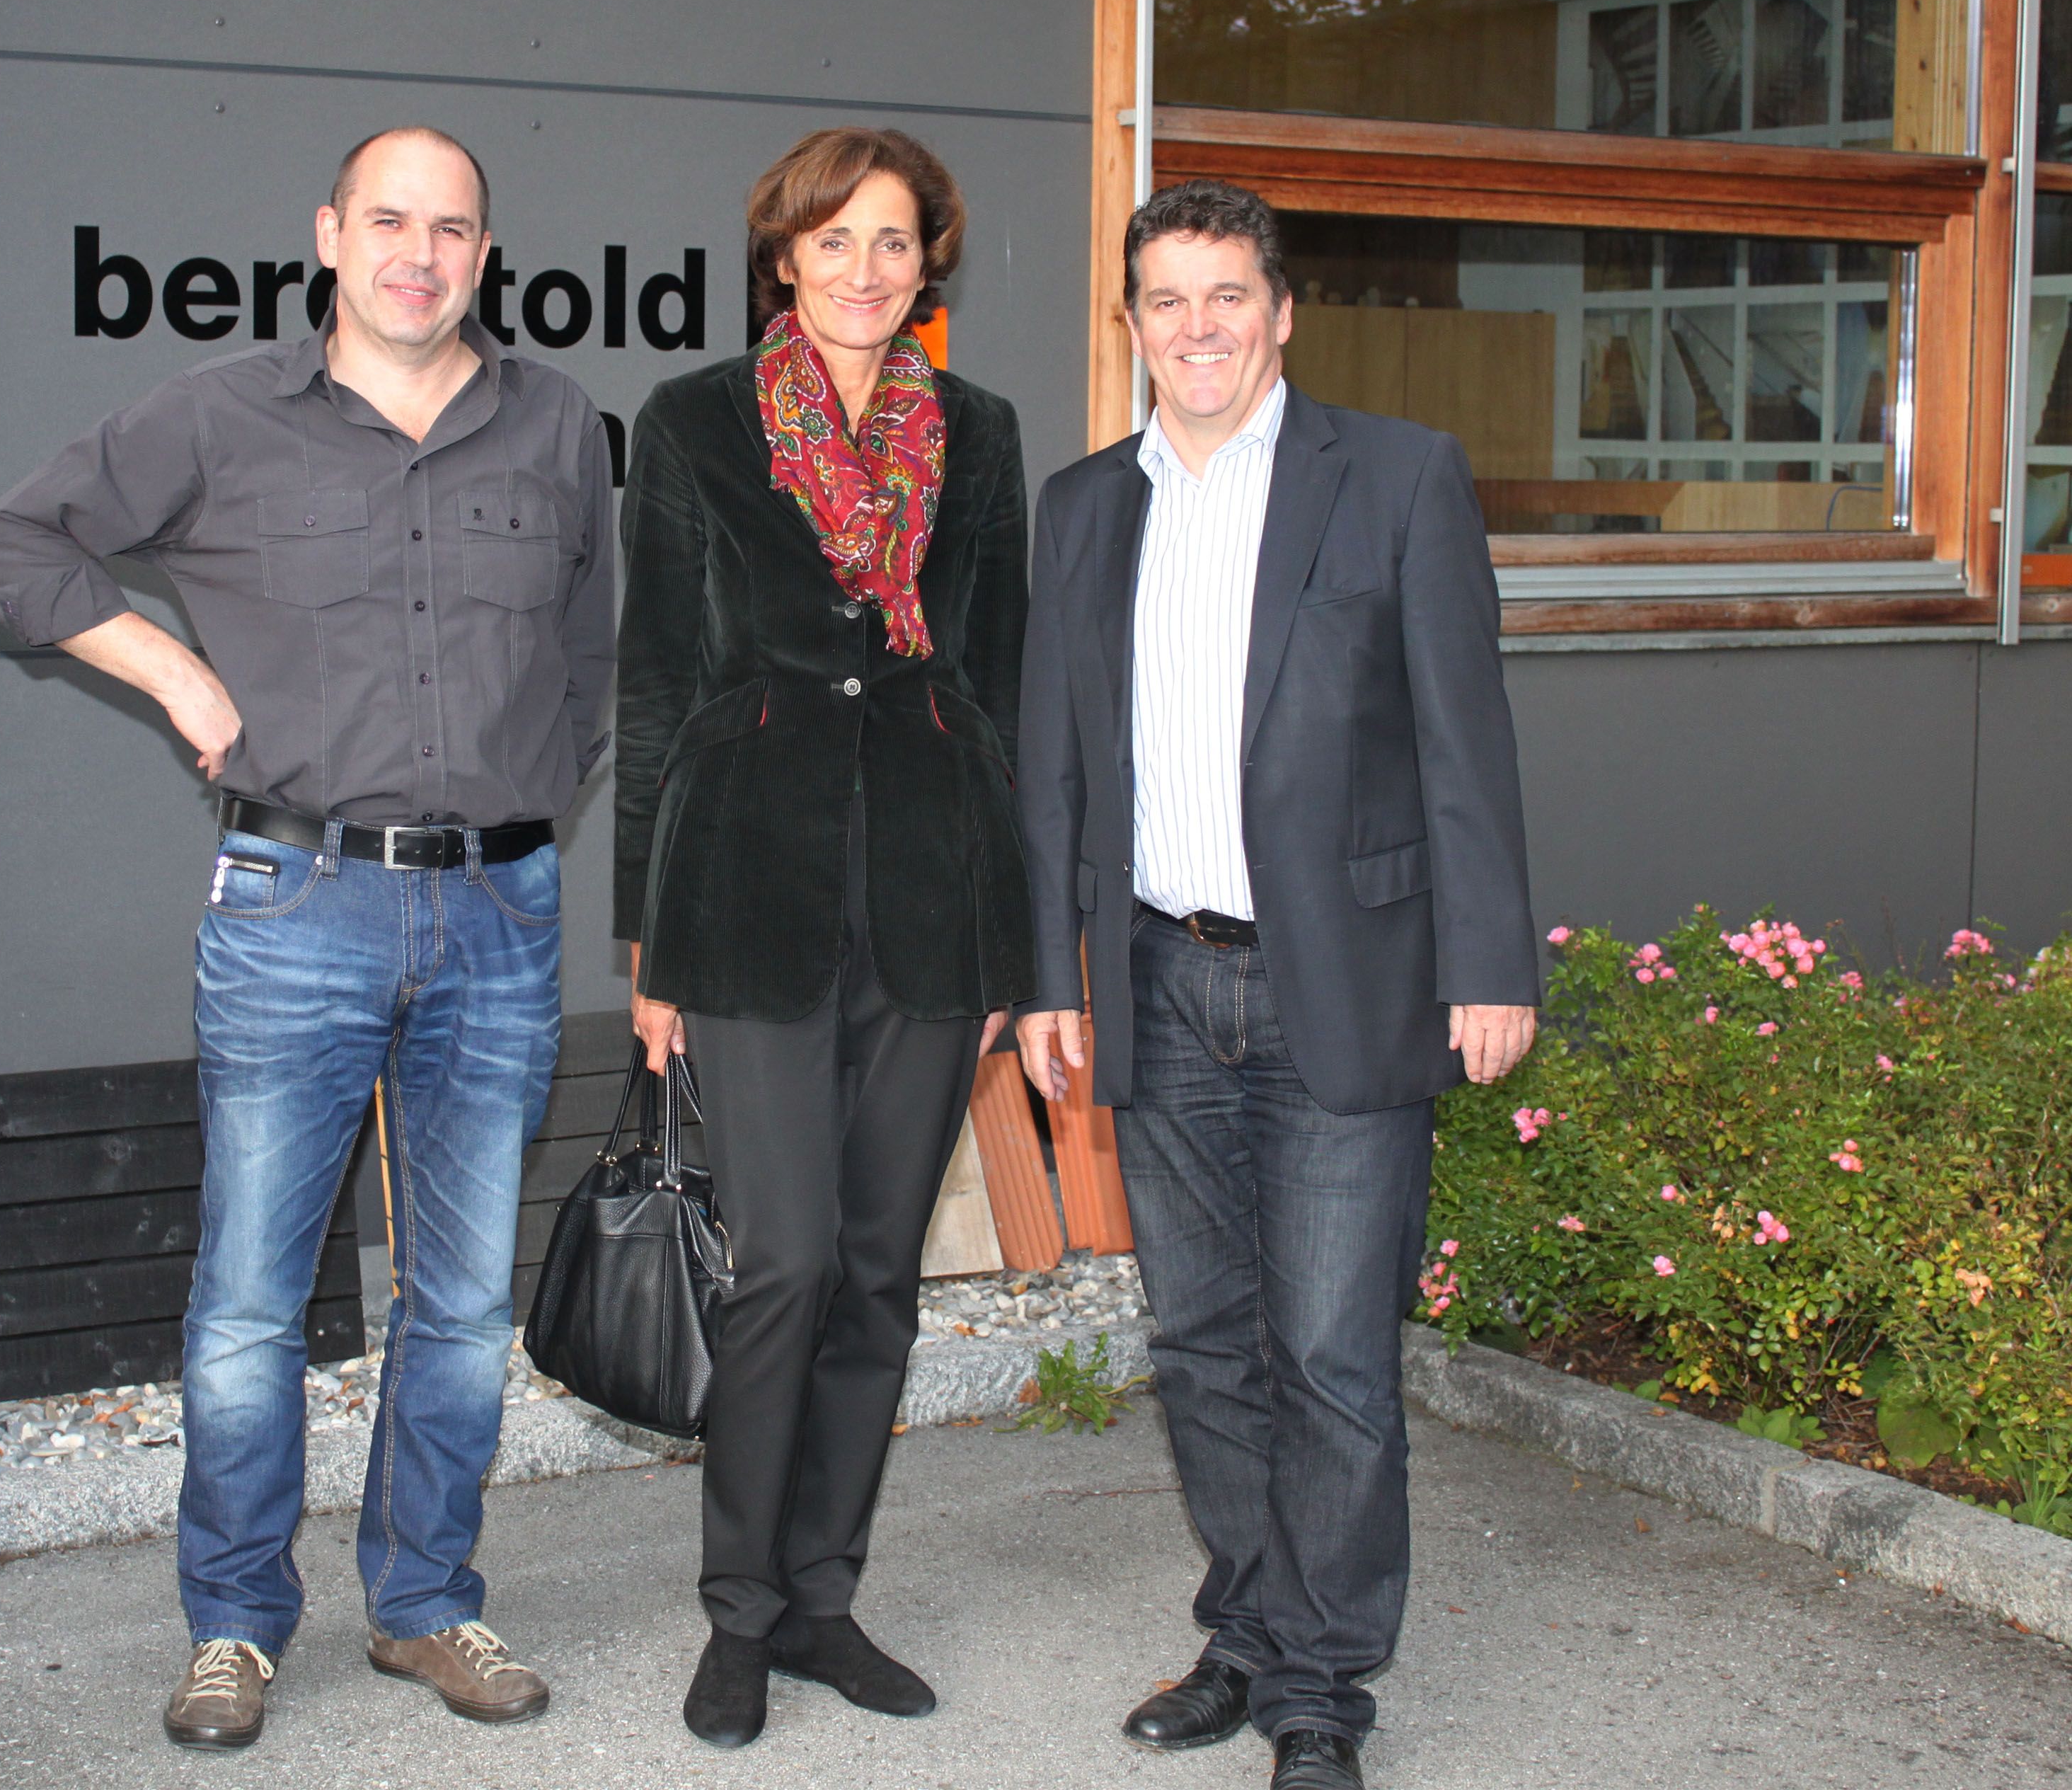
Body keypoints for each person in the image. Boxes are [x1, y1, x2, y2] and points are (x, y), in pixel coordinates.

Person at [0, 126, 612, 1750]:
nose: (418, 253)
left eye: (450, 228)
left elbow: (597, 656)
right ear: (329, 234)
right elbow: (11, 549)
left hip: (501, 913)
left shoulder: (555, 423)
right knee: (252, 1302)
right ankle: (234, 1625)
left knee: (461, 1300)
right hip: (297, 905)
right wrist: (177, 674)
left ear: (484, 253)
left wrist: (527, 803)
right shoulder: (218, 415)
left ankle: (426, 1604)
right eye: (388, 219)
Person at [1013, 178, 1537, 1790]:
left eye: (1227, 295)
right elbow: (1051, 770)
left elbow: (1466, 738)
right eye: (1166, 300)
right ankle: (1246, 1629)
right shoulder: (1084, 505)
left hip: (1349, 980)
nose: (1199, 329)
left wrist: (1489, 963)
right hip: (1156, 978)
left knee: (1329, 1355)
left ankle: (1321, 1684)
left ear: (1283, 311)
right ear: (1133, 323)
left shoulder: (1396, 476)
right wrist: (1047, 979)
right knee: (1201, 1343)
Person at [614, 126, 1034, 1750]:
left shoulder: (977, 435)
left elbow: (995, 686)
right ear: (784, 256)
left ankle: (821, 1600)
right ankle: (738, 1611)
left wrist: (1007, 942)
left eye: (895, 241)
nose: (867, 269)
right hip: (743, 887)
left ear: (930, 265)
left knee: (877, 1271)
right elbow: (656, 682)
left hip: (931, 894)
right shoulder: (696, 421)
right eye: (836, 240)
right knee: (784, 1260)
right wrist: (647, 943)